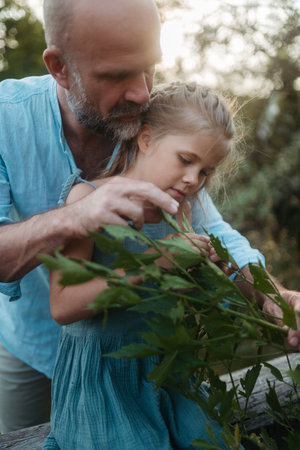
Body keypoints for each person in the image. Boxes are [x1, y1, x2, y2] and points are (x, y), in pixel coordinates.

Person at [0, 0, 299, 436]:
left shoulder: (148, 119)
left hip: (142, 361)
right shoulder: (7, 118)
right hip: (29, 344)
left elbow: (211, 230)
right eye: (117, 74)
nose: (142, 92)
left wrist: (274, 296)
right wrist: (77, 216)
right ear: (59, 67)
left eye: (149, 68)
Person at [43, 82, 295, 450]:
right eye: (185, 160)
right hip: (104, 376)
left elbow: (199, 279)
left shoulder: (183, 211)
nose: (194, 180)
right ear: (146, 139)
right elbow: (62, 305)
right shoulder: (87, 198)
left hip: (169, 369)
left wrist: (241, 288)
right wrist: (159, 260)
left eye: (206, 171)